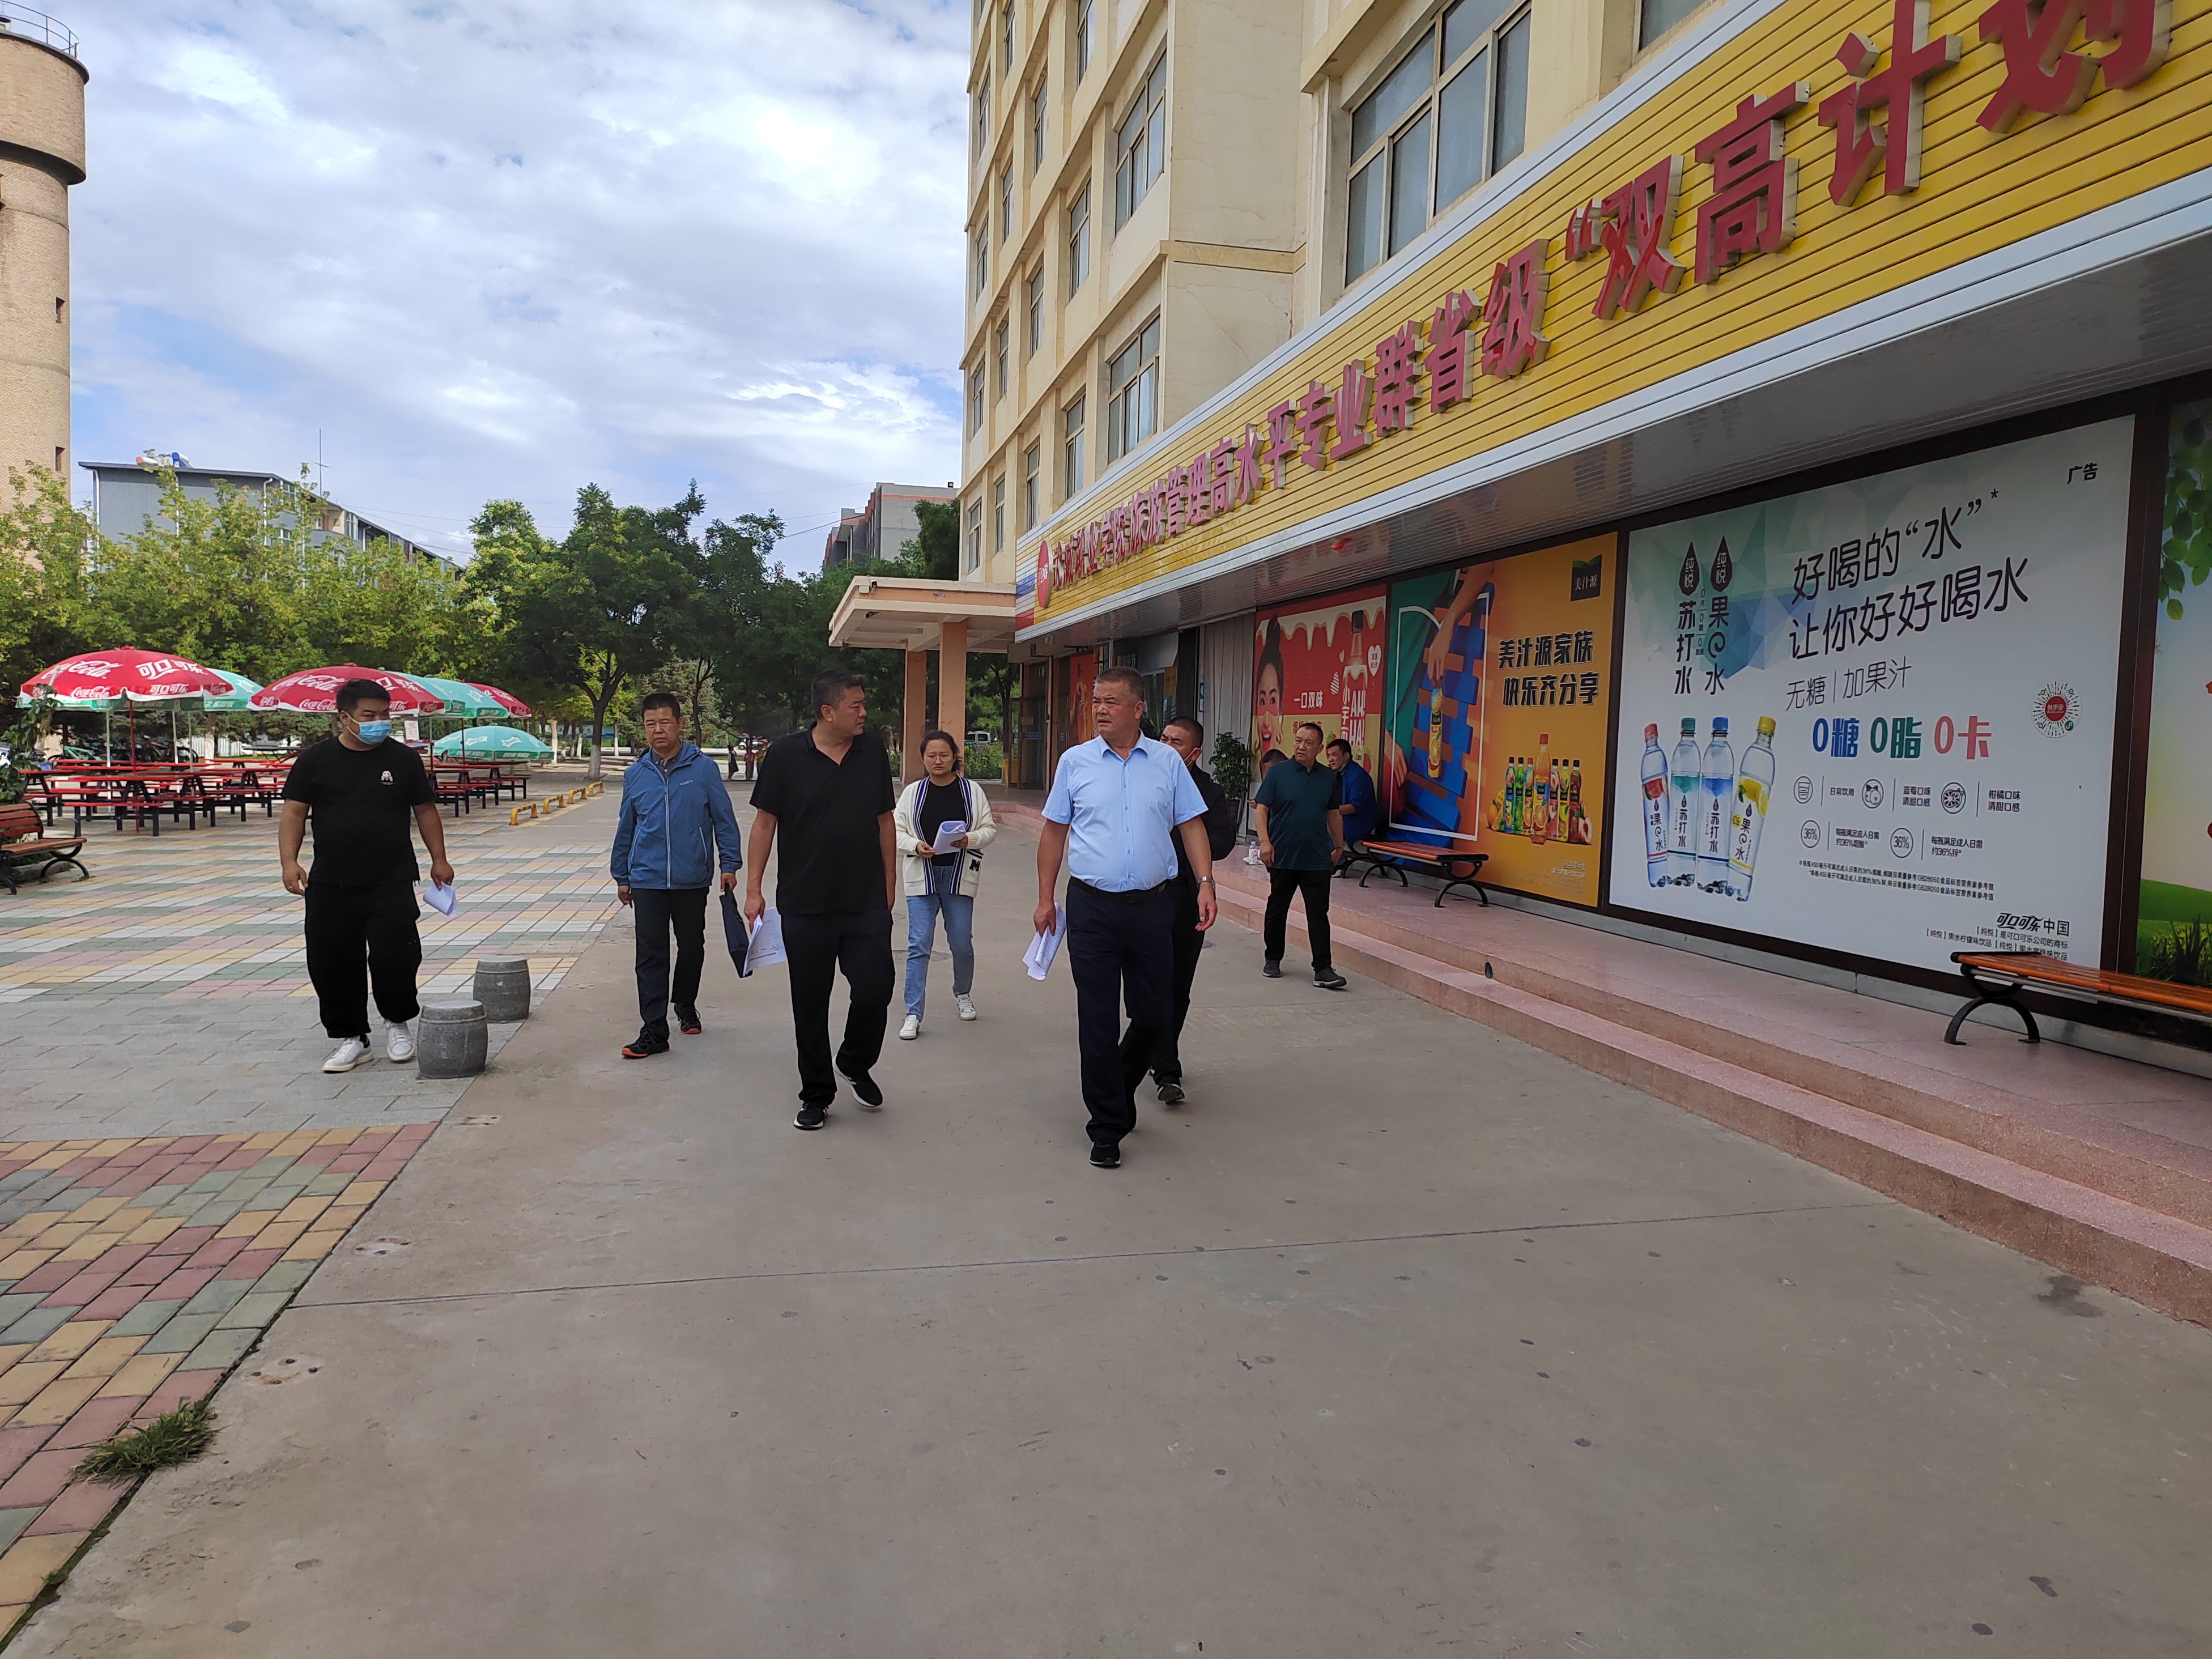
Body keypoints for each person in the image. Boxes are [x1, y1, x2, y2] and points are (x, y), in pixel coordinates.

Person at [1035, 667, 1218, 1169]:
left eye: (1111, 701)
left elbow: (1191, 825)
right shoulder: (1074, 762)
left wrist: (1206, 883)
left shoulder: (1166, 762)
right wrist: (1045, 898)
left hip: (1153, 907)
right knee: (1097, 1018)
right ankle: (1107, 1125)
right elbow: (1053, 832)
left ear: (1138, 709)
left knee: (1156, 1014)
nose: (1100, 709)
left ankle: (1117, 1083)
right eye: (1096, 700)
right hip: (1092, 907)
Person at [746, 669, 897, 1130]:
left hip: (865, 899)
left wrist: (890, 880)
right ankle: (816, 1093)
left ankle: (854, 1060)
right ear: (827, 712)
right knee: (810, 1003)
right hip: (805, 902)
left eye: (864, 704)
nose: (864, 713)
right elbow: (765, 824)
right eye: (856, 705)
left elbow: (885, 820)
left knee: (876, 988)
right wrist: (753, 889)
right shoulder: (785, 755)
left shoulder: (871, 751)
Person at [278, 679, 455, 1073]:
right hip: (331, 880)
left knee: (397, 955)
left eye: (385, 715)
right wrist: (289, 862)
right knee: (333, 960)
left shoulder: (403, 760)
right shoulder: (315, 760)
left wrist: (439, 859)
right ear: (345, 718)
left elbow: (425, 810)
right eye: (369, 716)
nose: (379, 723)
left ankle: (397, 1023)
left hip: (391, 877)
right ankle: (352, 1037)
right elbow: (294, 812)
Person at [610, 691, 742, 1058]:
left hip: (691, 876)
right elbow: (626, 827)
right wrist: (622, 874)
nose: (658, 730)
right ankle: (654, 1030)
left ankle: (685, 1002)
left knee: (692, 945)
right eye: (650, 724)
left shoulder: (703, 769)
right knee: (650, 953)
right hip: (647, 878)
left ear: (680, 724)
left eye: (665, 722)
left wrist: (729, 864)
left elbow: (723, 820)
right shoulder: (636, 774)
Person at [1150, 714, 1240, 1105]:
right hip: (1144, 898)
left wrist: (1191, 842)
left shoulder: (1210, 792)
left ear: (1195, 752)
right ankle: (1160, 1061)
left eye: (1177, 742)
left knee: (1178, 987)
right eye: (1164, 738)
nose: (1167, 746)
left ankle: (1165, 1065)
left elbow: (1223, 840)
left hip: (1186, 896)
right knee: (1147, 986)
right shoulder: (1142, 779)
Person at [894, 729, 999, 1039]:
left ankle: (963, 993)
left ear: (955, 757)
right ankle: (913, 1013)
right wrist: (915, 846)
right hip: (922, 876)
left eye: (944, 755)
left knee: (961, 942)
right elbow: (895, 831)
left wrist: (969, 839)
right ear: (923, 758)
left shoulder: (972, 792)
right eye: (931, 755)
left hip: (958, 876)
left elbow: (989, 830)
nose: (938, 761)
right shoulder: (913, 793)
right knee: (919, 945)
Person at [1253, 720, 1349, 990]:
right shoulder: (1277, 773)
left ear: (1319, 748)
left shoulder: (1328, 777)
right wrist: (1265, 842)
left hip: (1317, 857)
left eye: (1308, 743)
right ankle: (1273, 958)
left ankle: (1323, 968)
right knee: (1277, 909)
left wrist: (1339, 847)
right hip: (1282, 854)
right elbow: (1261, 809)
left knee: (1318, 913)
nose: (1301, 746)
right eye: (1298, 740)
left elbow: (1333, 814)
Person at [1326, 736, 1379, 870]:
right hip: (1342, 819)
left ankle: (1339, 863)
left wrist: (1330, 811)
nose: (1330, 759)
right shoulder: (1334, 774)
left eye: (1334, 755)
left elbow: (1355, 807)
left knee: (1326, 823)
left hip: (1358, 822)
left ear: (1347, 756)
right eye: (1329, 756)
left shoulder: (1358, 776)